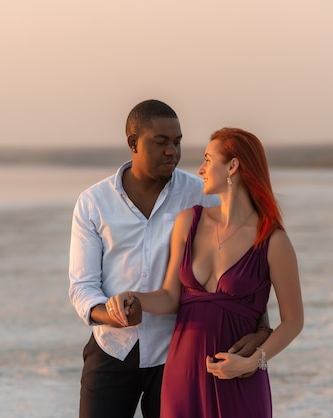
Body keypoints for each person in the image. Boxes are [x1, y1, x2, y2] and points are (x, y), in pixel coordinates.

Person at [68, 101, 271, 418]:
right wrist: (114, 314)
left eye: (177, 142)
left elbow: (238, 261)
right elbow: (82, 287)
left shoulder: (199, 194)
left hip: (178, 354)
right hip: (112, 350)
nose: (172, 152)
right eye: (160, 142)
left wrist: (262, 328)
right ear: (133, 143)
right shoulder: (93, 203)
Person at [109, 127, 304, 417]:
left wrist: (253, 362)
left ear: (233, 166)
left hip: (238, 375)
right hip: (183, 373)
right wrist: (130, 296)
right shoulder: (188, 222)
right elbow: (169, 297)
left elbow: (293, 321)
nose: (200, 169)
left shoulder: (272, 240)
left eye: (208, 160)